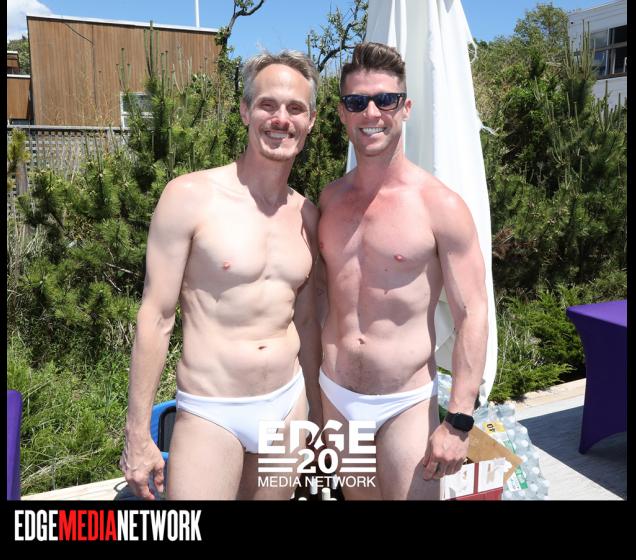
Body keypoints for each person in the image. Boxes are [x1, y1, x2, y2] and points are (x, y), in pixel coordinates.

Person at [119, 50, 323, 500]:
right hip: (212, 410)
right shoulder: (190, 196)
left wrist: (319, 417)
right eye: (268, 104)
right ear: (246, 111)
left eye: (295, 108)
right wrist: (137, 434)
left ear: (310, 121)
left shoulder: (307, 215)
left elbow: (307, 322)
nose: (281, 118)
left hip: (287, 406)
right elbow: (156, 316)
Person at [318, 42, 488, 500]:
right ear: (342, 113)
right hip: (336, 397)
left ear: (405, 108)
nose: (371, 112)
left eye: (385, 99)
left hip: (405, 403)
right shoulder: (329, 201)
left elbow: (473, 312)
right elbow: (316, 298)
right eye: (357, 101)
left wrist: (459, 420)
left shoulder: (440, 205)